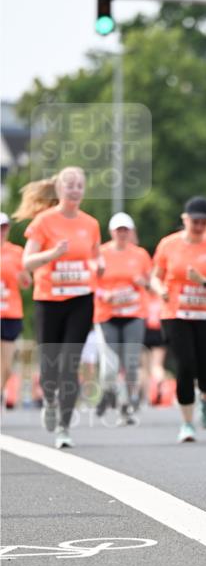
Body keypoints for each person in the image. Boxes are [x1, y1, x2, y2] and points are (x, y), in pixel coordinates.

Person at [20, 168, 102, 449]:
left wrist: (97, 265)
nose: (75, 189)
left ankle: (65, 427)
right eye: (70, 184)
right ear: (58, 188)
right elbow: (27, 262)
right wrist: (53, 254)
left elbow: (94, 256)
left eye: (80, 184)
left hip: (81, 299)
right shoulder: (43, 222)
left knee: (70, 364)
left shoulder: (90, 224)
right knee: (50, 366)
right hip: (49, 300)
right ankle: (50, 401)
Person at [151, 196, 206, 443]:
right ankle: (187, 423)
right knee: (185, 365)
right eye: (194, 221)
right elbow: (155, 276)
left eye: (203, 222)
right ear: (185, 219)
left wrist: (202, 281)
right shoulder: (168, 244)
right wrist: (159, 290)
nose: (198, 226)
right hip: (174, 313)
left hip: (205, 314)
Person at [94, 212, 152, 424]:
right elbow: (91, 283)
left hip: (133, 314)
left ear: (131, 232)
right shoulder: (101, 254)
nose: (122, 234)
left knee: (131, 362)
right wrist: (104, 295)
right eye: (118, 230)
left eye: (125, 230)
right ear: (111, 232)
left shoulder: (140, 255)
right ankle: (108, 391)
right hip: (107, 314)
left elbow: (152, 282)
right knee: (110, 366)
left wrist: (142, 282)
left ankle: (126, 406)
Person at [1, 212, 31, 402]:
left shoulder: (16, 252)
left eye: (3, 227)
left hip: (11, 312)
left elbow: (27, 282)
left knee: (8, 365)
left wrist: (24, 278)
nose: (0, 231)